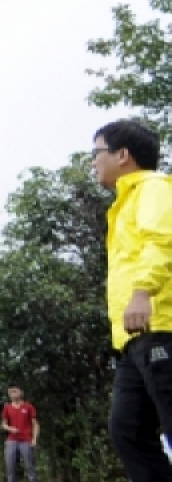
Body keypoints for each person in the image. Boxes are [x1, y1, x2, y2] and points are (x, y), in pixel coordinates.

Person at [96, 119, 172, 482]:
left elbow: (162, 241)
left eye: (97, 153)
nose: (94, 162)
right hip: (132, 339)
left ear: (122, 155)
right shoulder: (125, 202)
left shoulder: (153, 188)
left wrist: (143, 291)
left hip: (162, 326)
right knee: (128, 432)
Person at [0, 385, 39, 482]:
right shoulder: (7, 408)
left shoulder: (28, 407)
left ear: (21, 393)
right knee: (10, 468)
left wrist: (34, 439)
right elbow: (3, 424)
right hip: (11, 440)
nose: (13, 393)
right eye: (11, 392)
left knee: (30, 467)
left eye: (15, 391)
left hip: (26, 440)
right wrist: (10, 428)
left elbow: (35, 424)